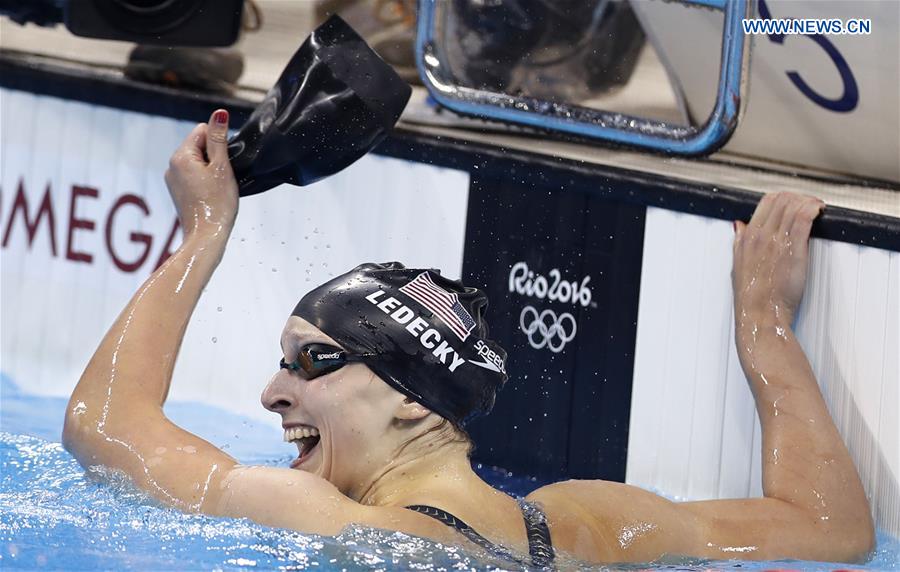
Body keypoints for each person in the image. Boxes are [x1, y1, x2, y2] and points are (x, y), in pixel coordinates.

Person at [63, 109, 875, 566]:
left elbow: (104, 425)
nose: (272, 392)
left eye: (313, 361)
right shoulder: (592, 529)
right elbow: (830, 531)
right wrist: (766, 326)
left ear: (415, 404)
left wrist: (205, 227)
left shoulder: (328, 523)